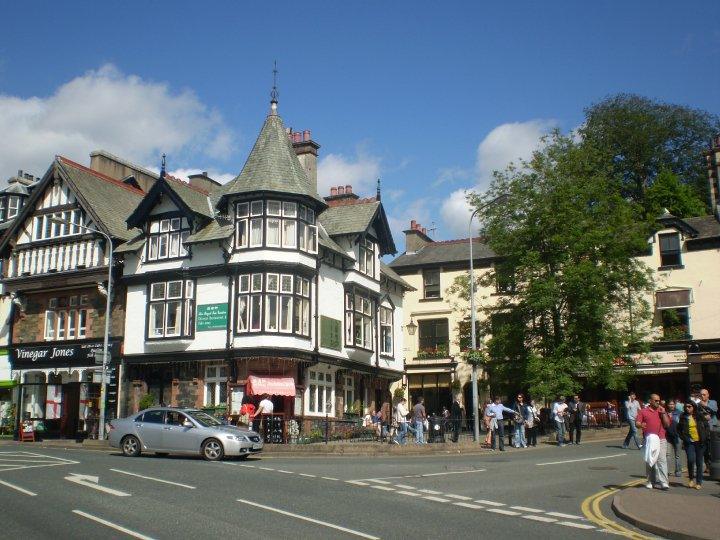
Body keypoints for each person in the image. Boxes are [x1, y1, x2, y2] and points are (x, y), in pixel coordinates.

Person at [636, 393, 670, 490]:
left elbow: (667, 425)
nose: (658, 402)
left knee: (662, 460)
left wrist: (663, 413)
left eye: (659, 400)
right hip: (649, 439)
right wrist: (640, 425)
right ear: (650, 401)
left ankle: (664, 482)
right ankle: (650, 481)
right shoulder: (643, 411)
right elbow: (637, 423)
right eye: (656, 400)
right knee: (650, 460)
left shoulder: (661, 411)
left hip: (661, 438)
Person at [677, 401, 710, 489]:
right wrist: (684, 438)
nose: (687, 408)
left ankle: (699, 482)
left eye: (689, 406)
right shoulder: (683, 416)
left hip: (700, 442)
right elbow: (679, 429)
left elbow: (707, 426)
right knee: (691, 460)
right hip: (689, 442)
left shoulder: (699, 415)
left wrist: (706, 436)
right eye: (686, 406)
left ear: (694, 407)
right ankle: (691, 479)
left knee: (699, 463)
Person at [697, 388, 718, 473]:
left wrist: (705, 406)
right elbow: (697, 415)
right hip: (703, 428)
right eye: (701, 394)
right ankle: (708, 466)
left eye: (704, 394)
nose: (702, 396)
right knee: (705, 448)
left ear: (708, 395)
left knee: (714, 447)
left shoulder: (713, 402)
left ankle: (715, 465)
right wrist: (703, 417)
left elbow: (714, 411)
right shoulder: (698, 404)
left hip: (713, 428)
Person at [665, 399, 682, 478]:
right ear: (667, 405)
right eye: (670, 404)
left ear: (675, 405)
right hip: (667, 436)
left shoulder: (679, 413)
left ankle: (678, 471)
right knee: (667, 454)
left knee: (677, 455)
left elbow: (682, 425)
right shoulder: (665, 413)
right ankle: (667, 471)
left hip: (677, 436)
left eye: (673, 404)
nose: (671, 405)